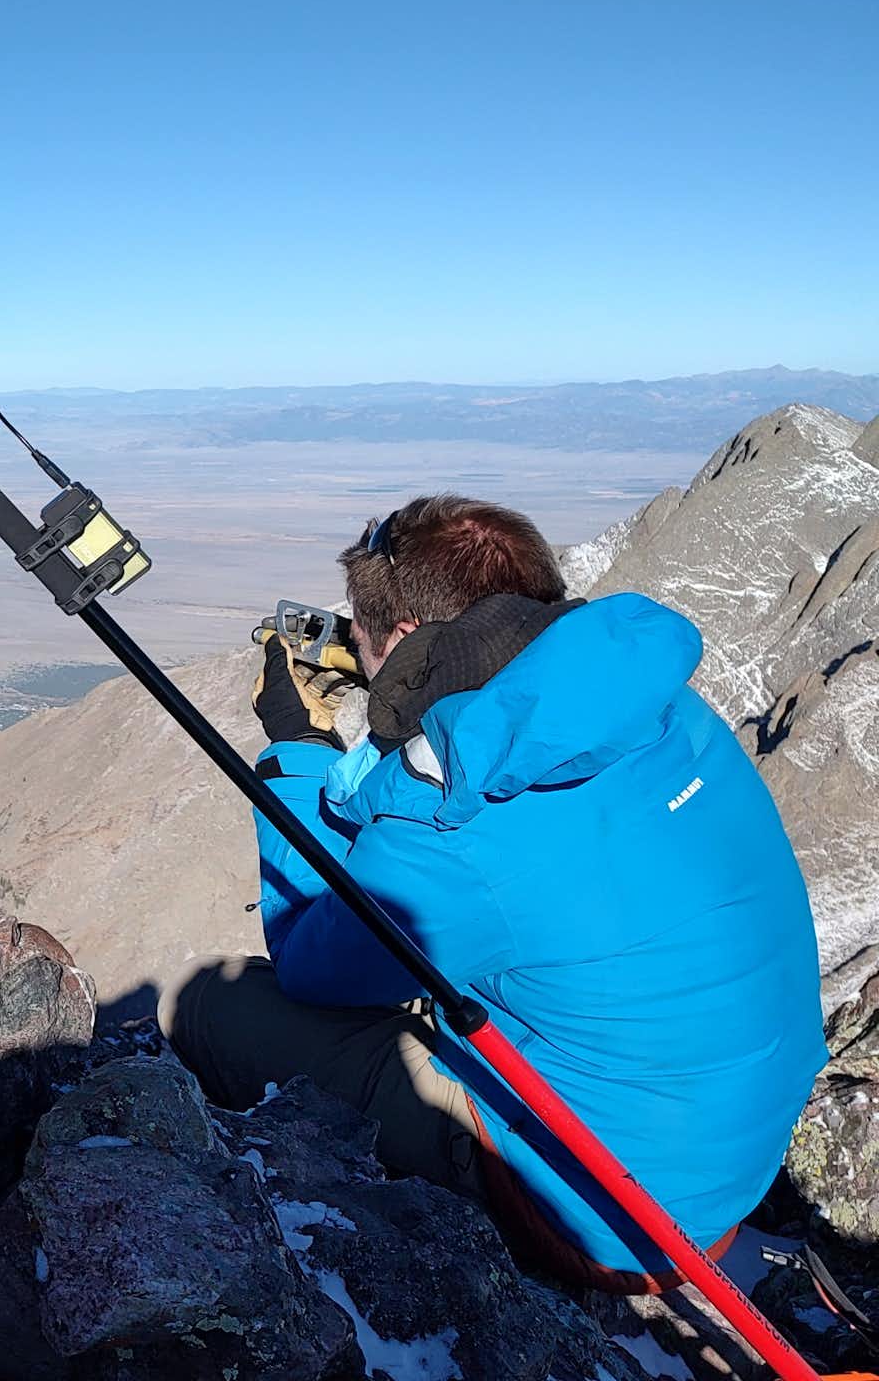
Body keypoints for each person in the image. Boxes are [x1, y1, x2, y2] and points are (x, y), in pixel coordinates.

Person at [159, 494, 826, 1291]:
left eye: (367, 641)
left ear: (406, 638)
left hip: (611, 1216)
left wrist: (300, 753)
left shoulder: (459, 832)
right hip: (729, 1146)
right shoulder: (659, 706)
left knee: (206, 1003)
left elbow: (311, 956)